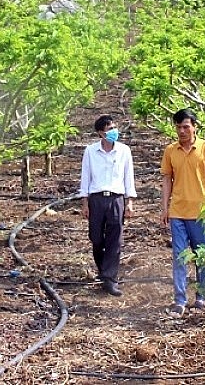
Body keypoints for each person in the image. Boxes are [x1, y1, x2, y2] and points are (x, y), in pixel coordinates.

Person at [160, 108, 205, 317]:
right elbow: (167, 179)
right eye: (178, 127)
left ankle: (202, 296)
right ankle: (179, 300)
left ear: (194, 127)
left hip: (201, 212)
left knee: (202, 256)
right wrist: (165, 207)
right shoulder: (170, 150)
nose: (182, 131)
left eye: (186, 126)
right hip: (177, 210)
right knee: (179, 256)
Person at [79, 115, 136, 296]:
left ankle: (109, 278)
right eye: (108, 130)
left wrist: (130, 202)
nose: (113, 132)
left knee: (115, 239)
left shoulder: (124, 151)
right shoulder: (90, 151)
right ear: (100, 134)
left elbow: (129, 177)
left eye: (114, 128)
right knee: (96, 238)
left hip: (116, 199)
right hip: (96, 199)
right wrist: (85, 202)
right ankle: (103, 270)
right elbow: (85, 177)